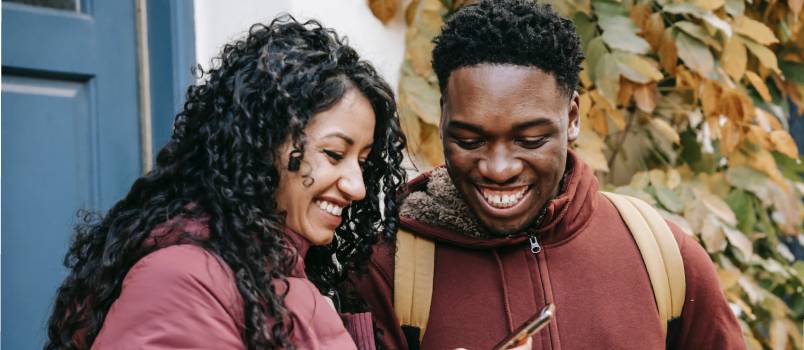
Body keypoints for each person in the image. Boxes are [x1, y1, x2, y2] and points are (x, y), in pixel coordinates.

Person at [352, 1, 746, 349]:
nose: (499, 169)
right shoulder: (390, 269)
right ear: (442, 116)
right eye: (470, 140)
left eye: (530, 139)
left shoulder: (663, 255)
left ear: (572, 118)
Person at [44, 16, 407, 349]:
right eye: (333, 153)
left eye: (362, 161)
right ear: (262, 143)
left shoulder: (287, 272)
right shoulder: (184, 281)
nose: (357, 187)